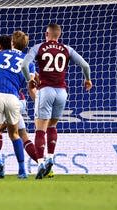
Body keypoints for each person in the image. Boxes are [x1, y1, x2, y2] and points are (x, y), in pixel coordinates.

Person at [22, 23, 92, 179]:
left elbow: (25, 65)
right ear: (58, 35)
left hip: (45, 90)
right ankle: (51, 157)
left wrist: (29, 80)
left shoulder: (38, 47)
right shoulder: (67, 49)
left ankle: (40, 163)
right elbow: (85, 65)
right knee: (52, 126)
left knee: (40, 128)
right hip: (62, 92)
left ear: (47, 34)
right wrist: (88, 80)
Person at [0, 30, 31, 179]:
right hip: (13, 97)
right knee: (15, 135)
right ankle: (22, 170)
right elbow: (29, 83)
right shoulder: (28, 61)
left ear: (12, 43)